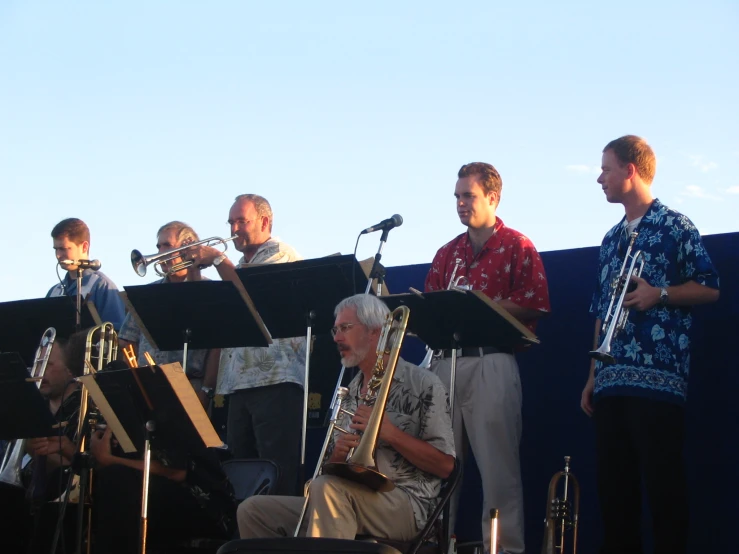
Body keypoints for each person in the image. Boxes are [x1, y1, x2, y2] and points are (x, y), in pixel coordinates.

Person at [580, 135, 719, 554]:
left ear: (630, 170)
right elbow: (602, 309)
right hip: (611, 380)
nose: (599, 178)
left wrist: (659, 294)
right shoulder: (608, 240)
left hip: (658, 383)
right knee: (614, 497)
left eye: (606, 168)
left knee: (664, 493)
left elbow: (710, 288)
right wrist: (592, 376)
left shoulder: (676, 226)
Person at [238, 293, 455, 540]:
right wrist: (338, 457)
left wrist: (391, 434)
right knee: (253, 511)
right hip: (342, 497)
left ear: (375, 331)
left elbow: (446, 466)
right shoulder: (348, 391)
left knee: (328, 490)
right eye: (335, 330)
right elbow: (327, 474)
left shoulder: (423, 383)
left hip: (405, 506)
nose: (337, 338)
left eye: (345, 328)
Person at [425, 162, 550, 554]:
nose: (461, 204)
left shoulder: (518, 244)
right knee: (439, 467)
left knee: (498, 472)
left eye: (469, 196)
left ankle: (506, 549)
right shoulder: (447, 252)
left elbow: (537, 303)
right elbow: (430, 305)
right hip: (445, 364)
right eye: (458, 197)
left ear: (492, 197)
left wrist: (486, 308)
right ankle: (433, 544)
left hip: (491, 361)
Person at [187, 194, 306, 495]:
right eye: (230, 222)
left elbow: (251, 294)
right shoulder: (239, 264)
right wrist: (194, 268)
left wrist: (216, 259)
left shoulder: (280, 253)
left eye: (242, 221)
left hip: (274, 380)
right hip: (240, 384)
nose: (233, 228)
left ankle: (273, 537)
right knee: (241, 470)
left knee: (275, 467)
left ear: (265, 222)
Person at [118, 221, 219, 407]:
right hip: (149, 385)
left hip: (192, 385)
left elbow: (217, 348)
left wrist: (206, 390)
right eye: (158, 246)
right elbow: (126, 341)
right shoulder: (147, 294)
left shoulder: (210, 292)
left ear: (187, 248)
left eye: (167, 246)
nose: (159, 253)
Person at [46, 218, 126, 331]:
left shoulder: (102, 286)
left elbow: (117, 334)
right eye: (56, 249)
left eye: (63, 249)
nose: (58, 255)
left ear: (84, 247)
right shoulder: (54, 292)